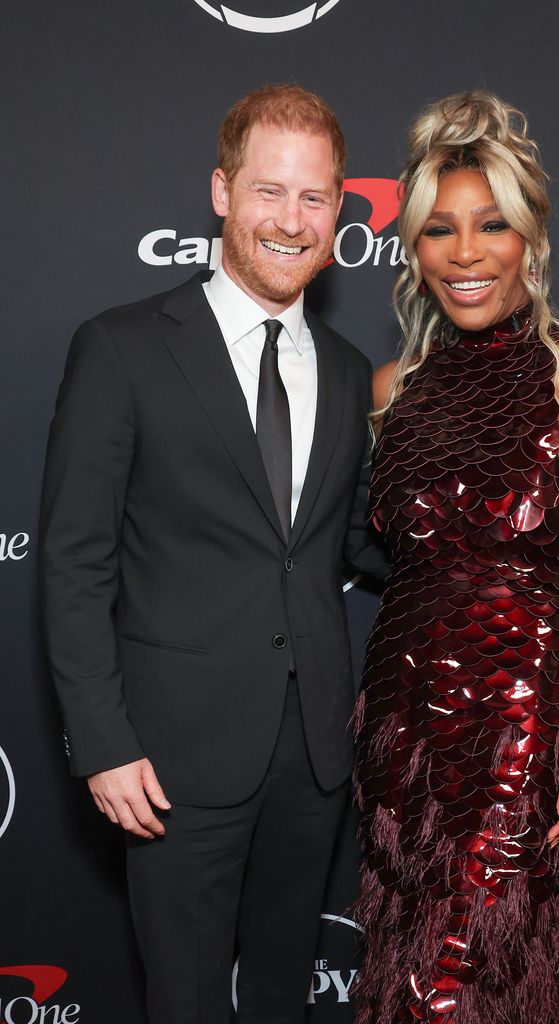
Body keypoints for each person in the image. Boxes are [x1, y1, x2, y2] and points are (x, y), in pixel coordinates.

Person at [39, 83, 386, 1024]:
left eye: (314, 198)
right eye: (269, 192)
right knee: (185, 998)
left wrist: (489, 543)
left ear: (340, 212)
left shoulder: (354, 373)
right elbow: (73, 562)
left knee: (280, 992)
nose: (291, 220)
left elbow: (356, 544)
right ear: (222, 192)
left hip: (314, 752)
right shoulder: (121, 349)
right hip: (171, 758)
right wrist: (103, 742)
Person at [352, 90, 559, 1024]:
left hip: (521, 728)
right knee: (398, 968)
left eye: (491, 225)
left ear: (529, 238)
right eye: (439, 231)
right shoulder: (388, 392)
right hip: (399, 730)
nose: (465, 254)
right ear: (412, 247)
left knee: (467, 982)